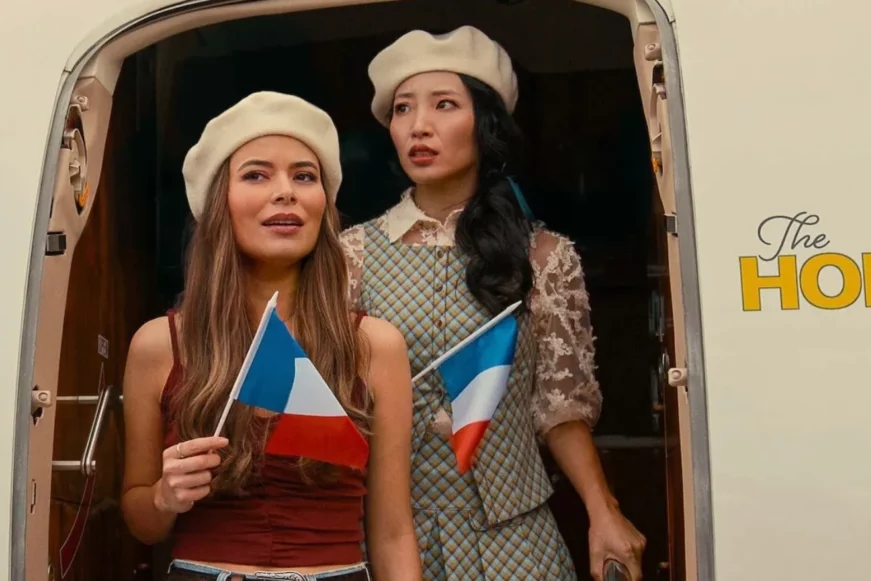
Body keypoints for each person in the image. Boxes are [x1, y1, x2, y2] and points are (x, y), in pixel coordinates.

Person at [340, 26, 646, 580]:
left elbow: (560, 408)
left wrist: (604, 512)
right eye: (403, 109)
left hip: (516, 543)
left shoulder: (544, 256)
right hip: (387, 540)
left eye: (444, 105)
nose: (419, 126)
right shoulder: (349, 255)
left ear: (484, 125)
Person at [120, 91, 421, 581]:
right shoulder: (157, 344)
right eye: (257, 175)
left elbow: (392, 532)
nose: (286, 192)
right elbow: (141, 522)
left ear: (324, 204)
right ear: (218, 204)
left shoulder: (375, 345)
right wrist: (163, 496)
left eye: (304, 176)